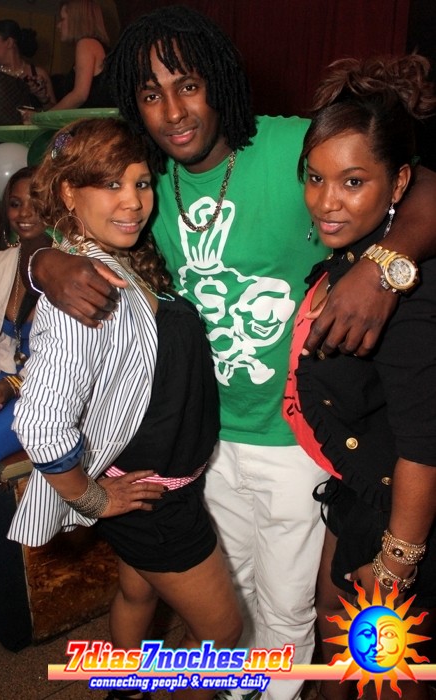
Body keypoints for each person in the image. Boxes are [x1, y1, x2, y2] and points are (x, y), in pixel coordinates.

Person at [26, 8, 436, 700]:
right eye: (150, 94)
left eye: (187, 85)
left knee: (285, 610)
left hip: (293, 435)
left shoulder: (290, 145)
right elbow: (51, 203)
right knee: (225, 599)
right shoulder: (140, 174)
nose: (172, 112)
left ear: (218, 81)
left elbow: (416, 181)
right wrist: (45, 261)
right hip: (202, 440)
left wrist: (383, 266)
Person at [7, 117, 242, 700]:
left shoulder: (103, 259)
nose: (134, 202)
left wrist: (43, 260)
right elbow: (39, 422)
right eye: (111, 185)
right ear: (69, 192)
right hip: (154, 502)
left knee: (138, 593)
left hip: (150, 487)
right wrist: (91, 498)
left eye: (140, 183)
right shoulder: (84, 289)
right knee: (223, 634)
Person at [284, 54, 436, 700]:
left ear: (398, 184)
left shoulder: (404, 294)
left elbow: (423, 447)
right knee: (332, 625)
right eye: (315, 178)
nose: (325, 202)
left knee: (384, 669)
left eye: (352, 182)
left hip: (399, 511)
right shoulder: (356, 259)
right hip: (359, 493)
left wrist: (395, 563)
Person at [0, 166, 51, 509]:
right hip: (7, 375)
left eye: (36, 202)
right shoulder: (1, 263)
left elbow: (67, 359)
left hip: (50, 391)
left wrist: (11, 387)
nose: (24, 213)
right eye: (16, 204)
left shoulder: (70, 268)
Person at [0, 20, 56, 264]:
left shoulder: (37, 73)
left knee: (31, 214)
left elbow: (54, 114)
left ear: (9, 42)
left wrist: (42, 97)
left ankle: (26, 267)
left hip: (31, 153)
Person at [50, 0, 115, 110]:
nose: (58, 25)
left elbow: (79, 96)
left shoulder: (86, 44)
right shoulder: (95, 45)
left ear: (76, 20)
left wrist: (44, 117)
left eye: (63, 19)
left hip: (95, 120)